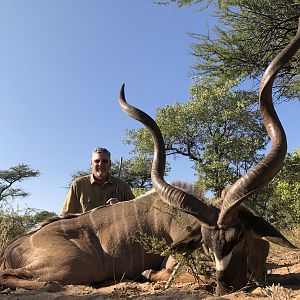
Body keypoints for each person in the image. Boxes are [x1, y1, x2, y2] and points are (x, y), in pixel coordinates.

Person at [60, 147, 135, 215]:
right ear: (91, 164)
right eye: (97, 161)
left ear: (110, 164)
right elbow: (65, 215)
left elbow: (134, 213)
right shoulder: (78, 184)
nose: (100, 164)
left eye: (105, 161)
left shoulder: (123, 186)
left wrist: (121, 207)